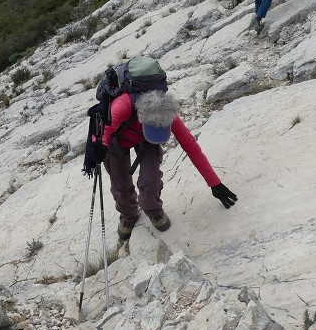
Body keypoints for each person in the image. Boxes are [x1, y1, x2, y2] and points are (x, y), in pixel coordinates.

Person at [91, 89, 237, 241]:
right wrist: (99, 146)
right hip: (117, 138)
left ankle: (154, 210)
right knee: (120, 184)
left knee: (151, 179)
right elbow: (102, 129)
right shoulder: (123, 105)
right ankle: (128, 215)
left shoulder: (169, 115)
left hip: (147, 140)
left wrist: (215, 183)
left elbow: (192, 148)